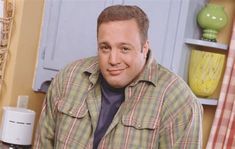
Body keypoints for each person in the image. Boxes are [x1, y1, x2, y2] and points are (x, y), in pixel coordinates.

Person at [34, 5, 203, 149]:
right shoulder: (68, 78)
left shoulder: (179, 102)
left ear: (144, 48)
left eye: (124, 49)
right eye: (105, 48)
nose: (113, 60)